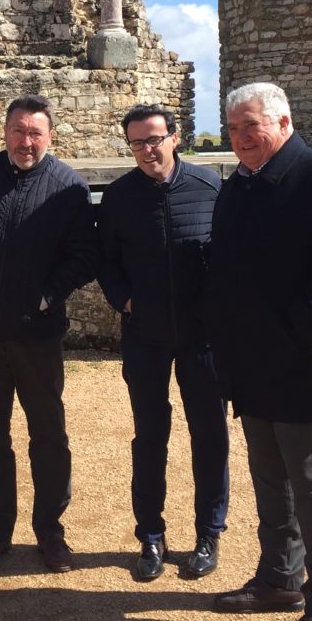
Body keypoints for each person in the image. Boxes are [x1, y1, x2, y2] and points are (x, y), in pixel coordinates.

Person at [207, 83, 312, 621]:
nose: (240, 138)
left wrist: (300, 335)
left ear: (283, 122)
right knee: (272, 483)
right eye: (233, 128)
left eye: (250, 125)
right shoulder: (238, 186)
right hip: (252, 370)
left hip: (303, 368)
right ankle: (279, 579)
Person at [0, 94, 99, 574]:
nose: (25, 141)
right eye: (18, 131)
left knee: (48, 434)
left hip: (37, 333)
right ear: (4, 132)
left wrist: (48, 295)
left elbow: (84, 255)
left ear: (50, 136)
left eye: (35, 133)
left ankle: (50, 531)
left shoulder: (68, 187)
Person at [97, 104, 229, 582]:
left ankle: (209, 533)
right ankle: (150, 537)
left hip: (203, 338)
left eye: (154, 139)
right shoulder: (118, 198)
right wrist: (125, 302)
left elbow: (231, 256)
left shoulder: (211, 187)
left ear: (175, 138)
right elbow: (105, 262)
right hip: (146, 337)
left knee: (209, 436)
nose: (147, 150)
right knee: (150, 437)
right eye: (137, 143)